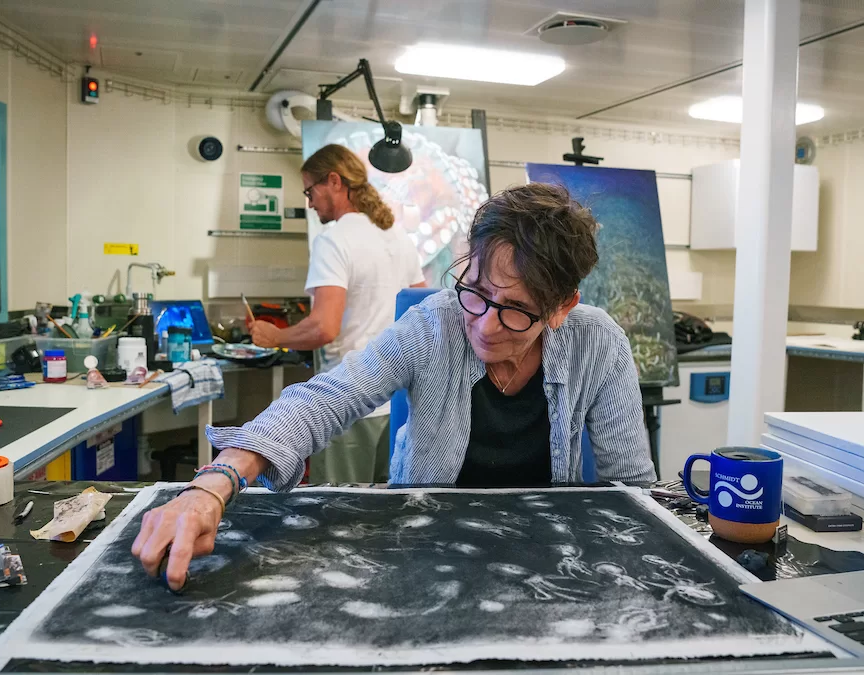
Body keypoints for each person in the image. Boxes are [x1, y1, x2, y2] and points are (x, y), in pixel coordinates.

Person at [134, 182, 654, 590]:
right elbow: (328, 398)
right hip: (424, 543)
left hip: (542, 555)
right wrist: (214, 483)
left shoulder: (599, 343)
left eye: (515, 309)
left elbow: (632, 487)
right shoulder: (433, 325)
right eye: (475, 291)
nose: (484, 325)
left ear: (563, 306)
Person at [248, 144, 424, 485]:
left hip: (348, 401)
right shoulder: (398, 236)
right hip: (397, 403)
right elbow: (419, 308)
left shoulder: (333, 240)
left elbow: (324, 327)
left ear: (334, 181)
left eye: (309, 191)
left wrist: (275, 336)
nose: (310, 202)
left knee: (340, 513)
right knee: (388, 513)